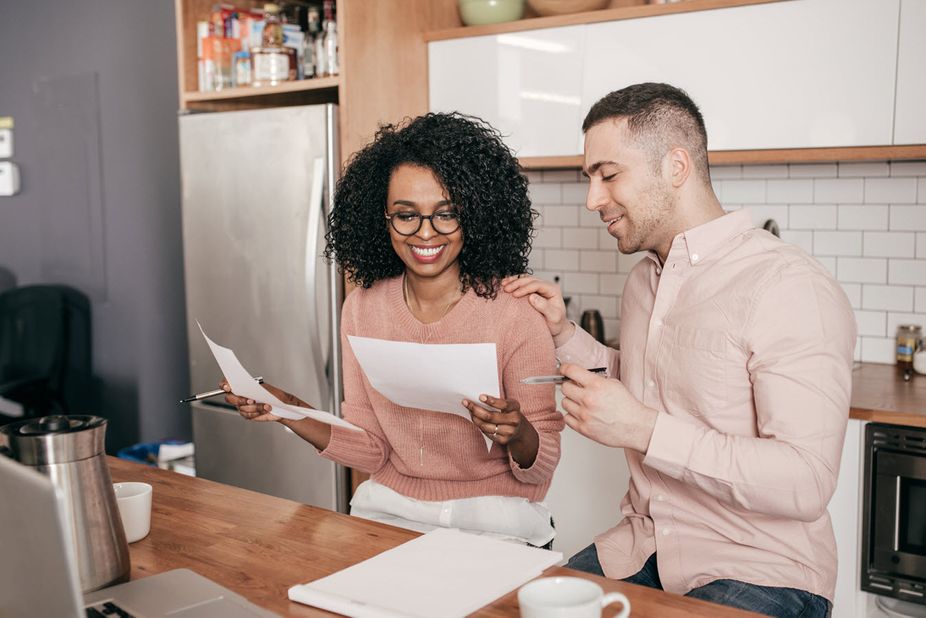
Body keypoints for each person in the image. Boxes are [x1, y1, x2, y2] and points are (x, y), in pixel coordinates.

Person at [504, 83, 856, 616]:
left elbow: (805, 479)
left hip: (760, 569)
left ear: (675, 166)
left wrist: (643, 429)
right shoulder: (645, 280)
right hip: (643, 546)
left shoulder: (787, 284)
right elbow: (651, 383)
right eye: (589, 178)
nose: (592, 199)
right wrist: (562, 334)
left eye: (608, 174)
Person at [223, 112, 564, 548]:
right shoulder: (362, 309)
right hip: (391, 513)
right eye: (406, 215)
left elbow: (541, 466)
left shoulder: (515, 315)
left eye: (446, 215)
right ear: (382, 218)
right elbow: (372, 450)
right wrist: (287, 408)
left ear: (475, 216)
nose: (425, 233)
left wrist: (519, 434)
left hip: (496, 522)